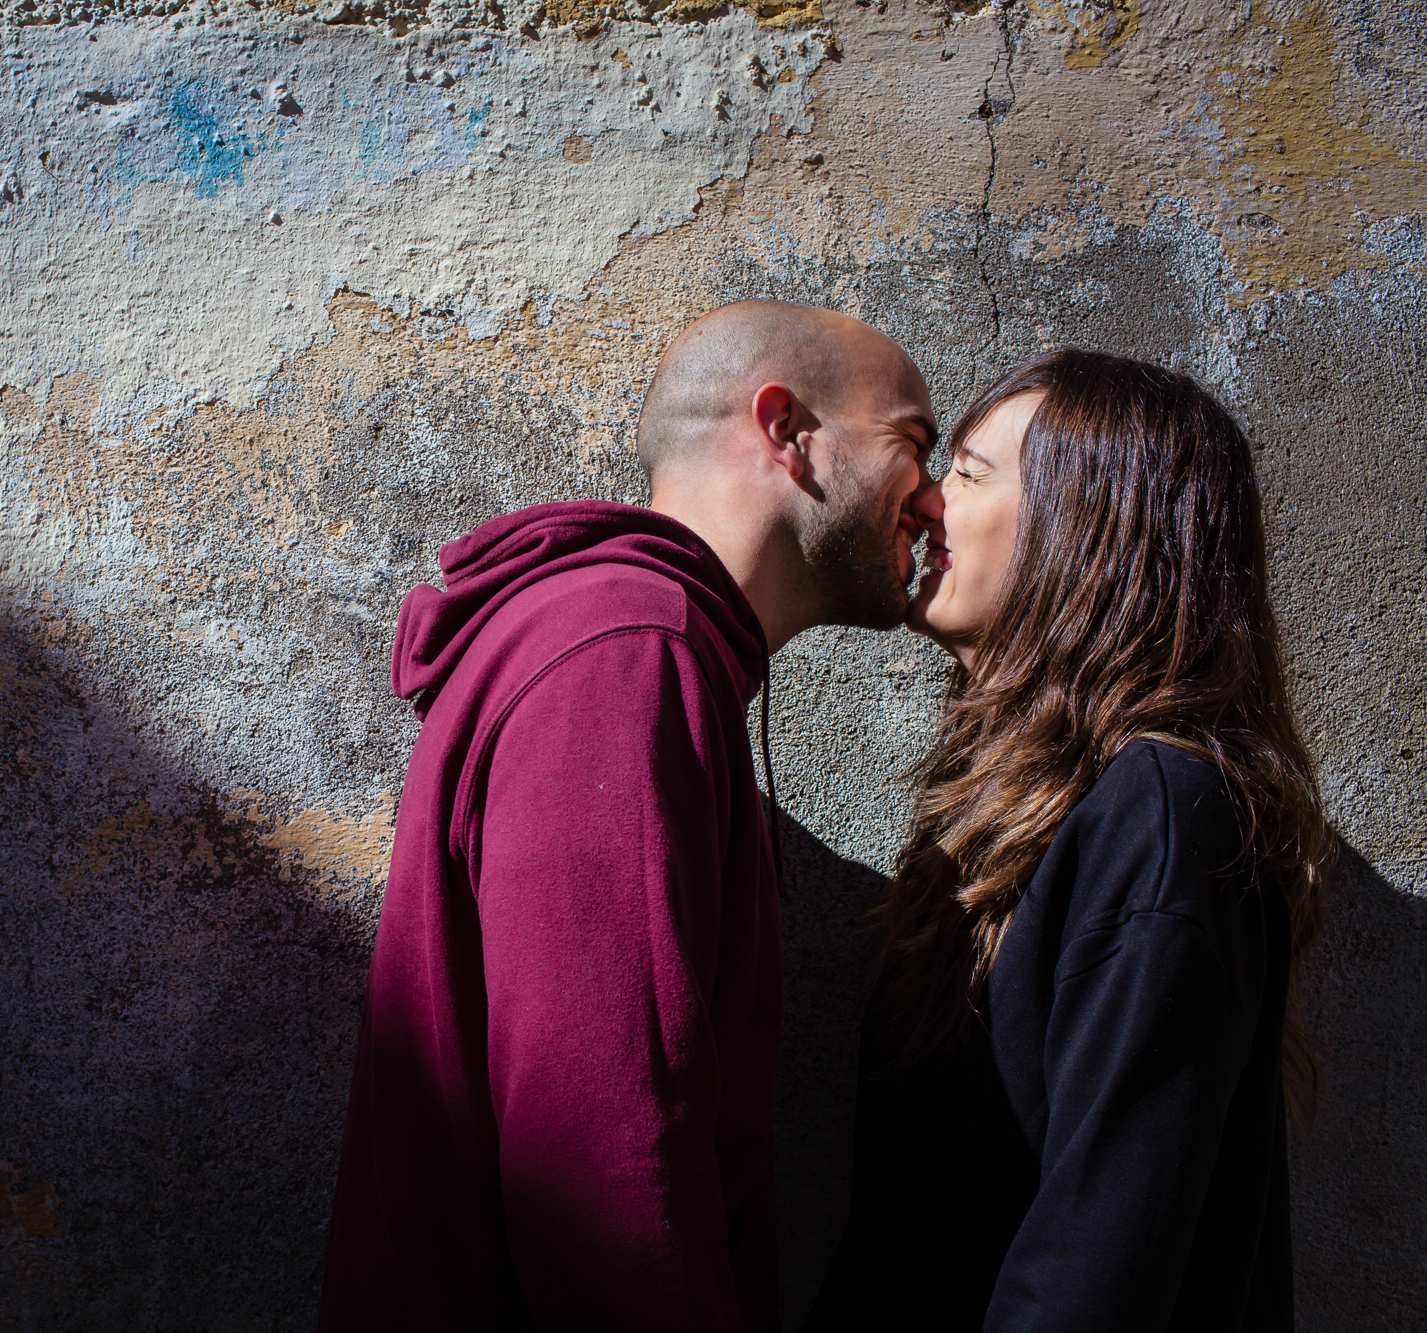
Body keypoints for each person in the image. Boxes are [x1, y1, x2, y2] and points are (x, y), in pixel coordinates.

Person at [318, 300, 938, 1332]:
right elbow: (607, 1159)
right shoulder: (625, 653)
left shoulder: (639, 645)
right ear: (784, 431)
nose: (929, 500)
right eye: (911, 443)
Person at [805, 350, 1330, 1332]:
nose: (921, 501)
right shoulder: (1026, 808)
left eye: (966, 469)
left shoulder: (1163, 817)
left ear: (1086, 527)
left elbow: (1098, 1259)